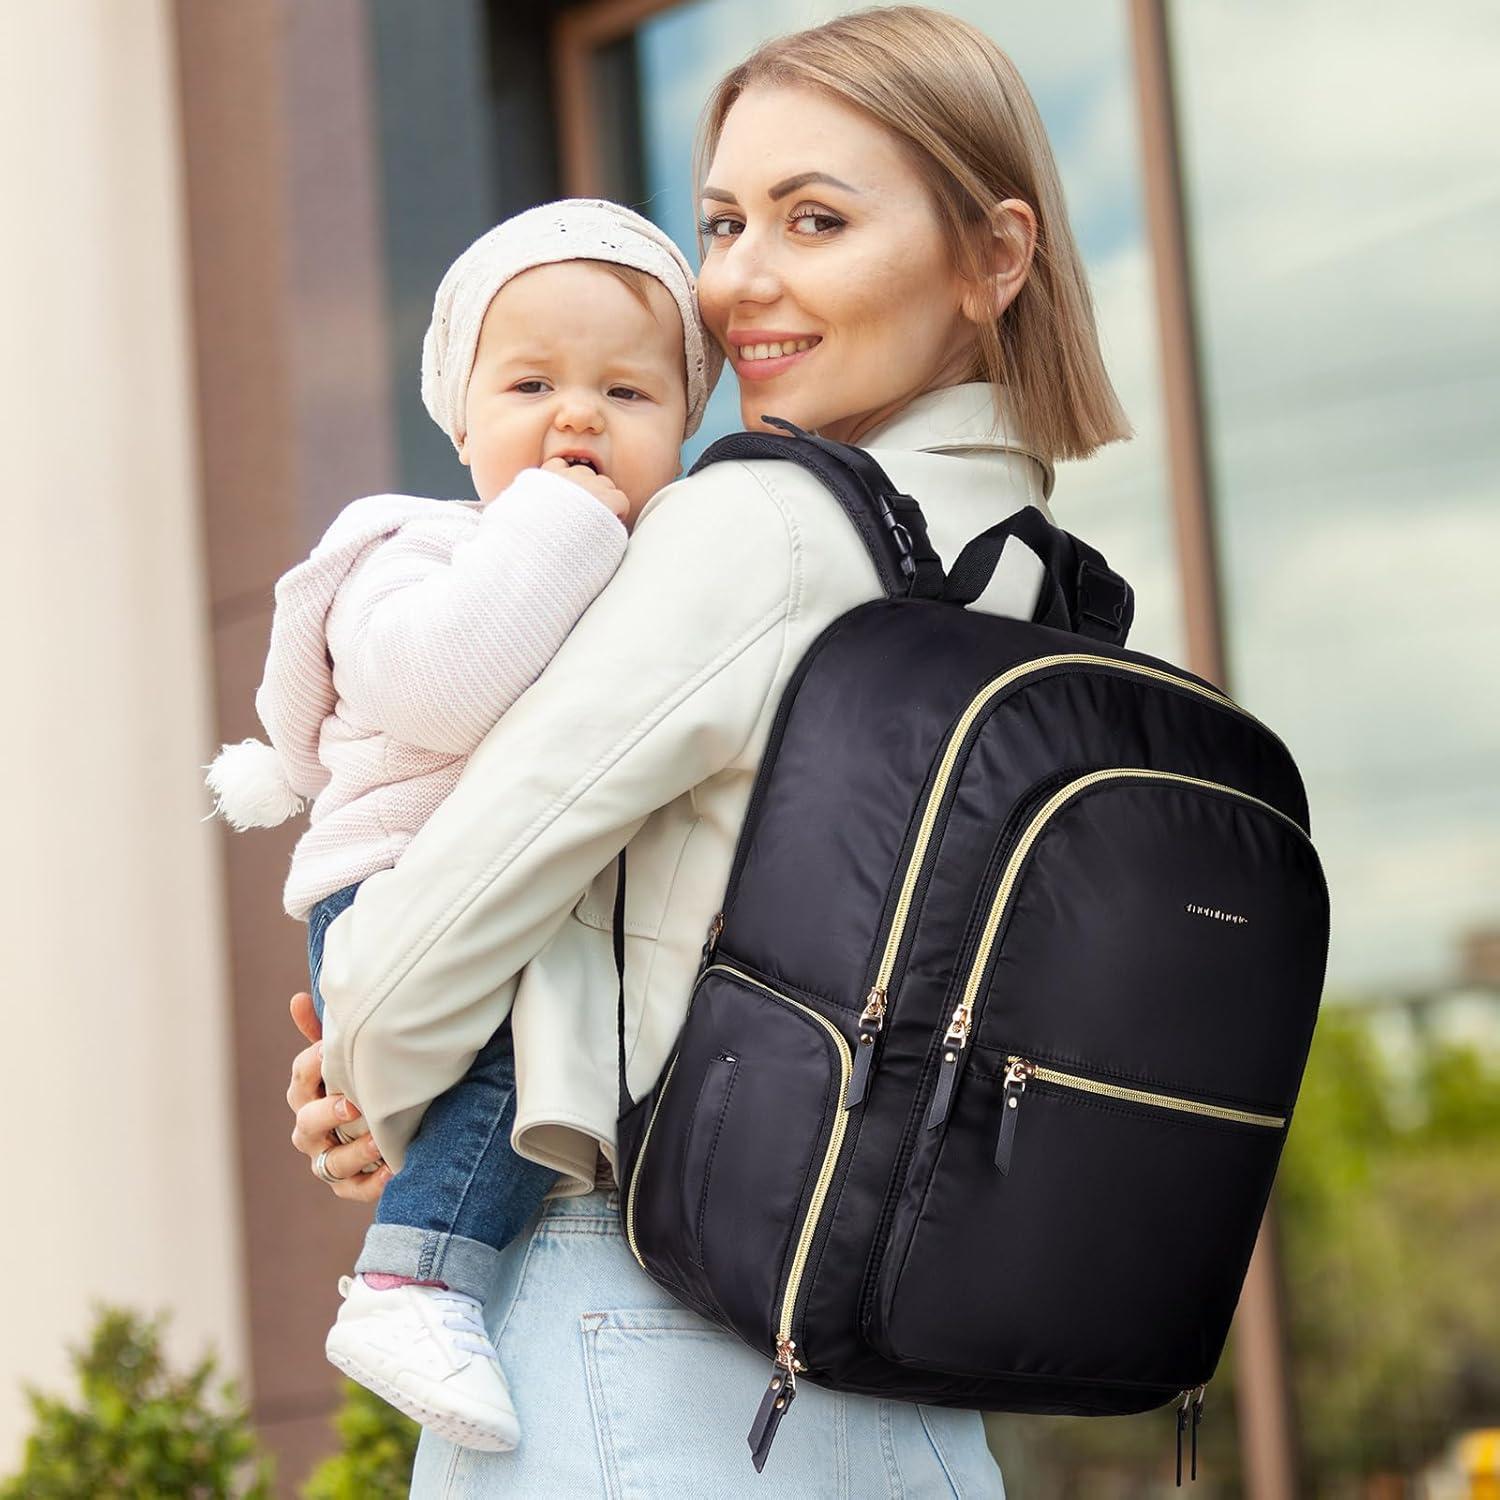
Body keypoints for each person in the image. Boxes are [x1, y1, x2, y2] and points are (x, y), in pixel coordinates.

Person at [288, 8, 1130, 1494]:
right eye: (727, 220)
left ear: (994, 258)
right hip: (904, 1394)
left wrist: (371, 1071)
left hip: (623, 1330)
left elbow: (411, 971)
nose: (743, 280)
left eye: (817, 219)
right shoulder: (1045, 590)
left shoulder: (752, 528)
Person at [210, 199, 719, 1451]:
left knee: (542, 1059)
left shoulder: (669, 572)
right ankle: (412, 1281)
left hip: (496, 907)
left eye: (627, 393)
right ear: (460, 414)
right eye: (533, 383)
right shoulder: (412, 547)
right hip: (396, 885)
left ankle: (420, 1266)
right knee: (524, 1068)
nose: (578, 417)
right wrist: (562, 514)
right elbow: (441, 684)